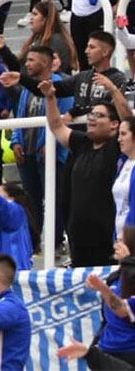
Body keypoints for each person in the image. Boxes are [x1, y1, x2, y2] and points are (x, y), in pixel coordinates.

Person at [44, 77, 125, 267]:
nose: (91, 118)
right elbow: (56, 125)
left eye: (99, 115)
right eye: (91, 114)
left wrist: (113, 90)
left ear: (114, 124)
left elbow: (129, 120)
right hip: (78, 237)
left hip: (107, 239)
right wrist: (50, 98)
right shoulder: (82, 144)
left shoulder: (118, 148)